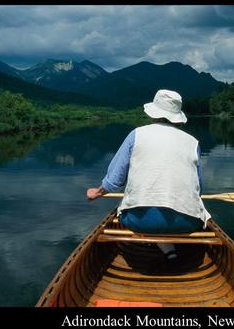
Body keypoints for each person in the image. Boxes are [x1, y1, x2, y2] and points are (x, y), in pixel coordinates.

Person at [87, 89, 211, 260]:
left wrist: (97, 192)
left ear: (154, 113)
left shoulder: (136, 135)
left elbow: (114, 182)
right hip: (187, 223)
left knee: (130, 208)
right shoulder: (192, 142)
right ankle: (168, 247)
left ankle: (156, 241)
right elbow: (198, 191)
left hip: (139, 221)